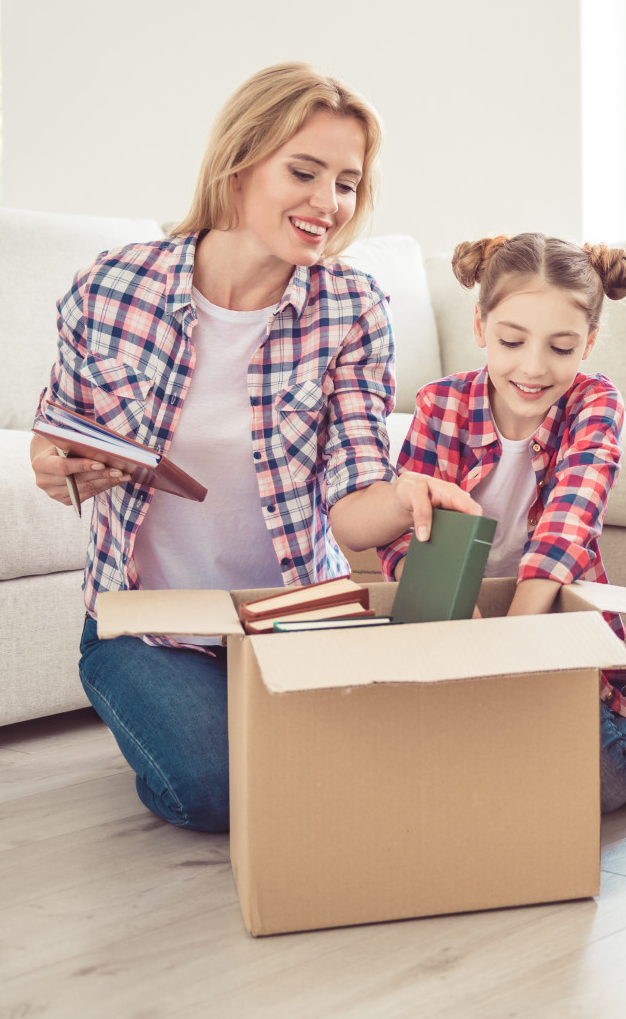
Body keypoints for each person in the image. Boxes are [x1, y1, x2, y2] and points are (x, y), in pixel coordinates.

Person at [32, 62, 478, 833]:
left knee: (415, 754)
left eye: (346, 182)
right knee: (215, 789)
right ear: (237, 167)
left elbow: (351, 502)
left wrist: (405, 498)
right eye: (303, 172)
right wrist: (57, 470)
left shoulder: (352, 305)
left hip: (298, 611)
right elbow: (55, 447)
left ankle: (251, 720)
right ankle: (200, 720)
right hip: (149, 621)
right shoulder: (109, 287)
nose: (327, 203)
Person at [377, 233, 626, 812]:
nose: (532, 368)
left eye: (560, 347)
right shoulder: (439, 405)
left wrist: (507, 652)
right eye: (511, 341)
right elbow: (409, 534)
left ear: (589, 343)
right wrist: (471, 637)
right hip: (459, 631)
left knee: (598, 778)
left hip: (552, 644)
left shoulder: (594, 404)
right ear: (480, 329)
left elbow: (568, 525)